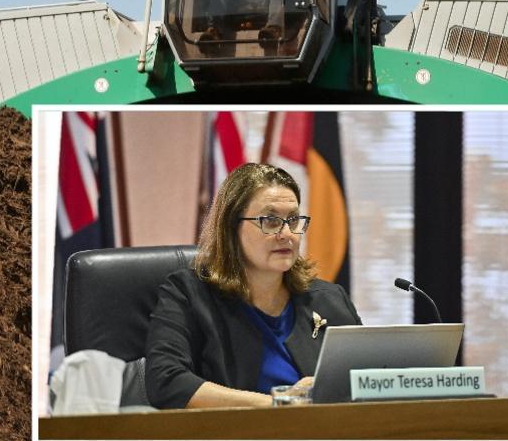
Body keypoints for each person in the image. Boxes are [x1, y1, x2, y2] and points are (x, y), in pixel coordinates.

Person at [145, 162, 360, 409]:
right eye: (270, 221)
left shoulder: (329, 299)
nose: (287, 234)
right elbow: (165, 381)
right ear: (231, 228)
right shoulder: (189, 295)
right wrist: (279, 404)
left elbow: (367, 381)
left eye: (293, 220)